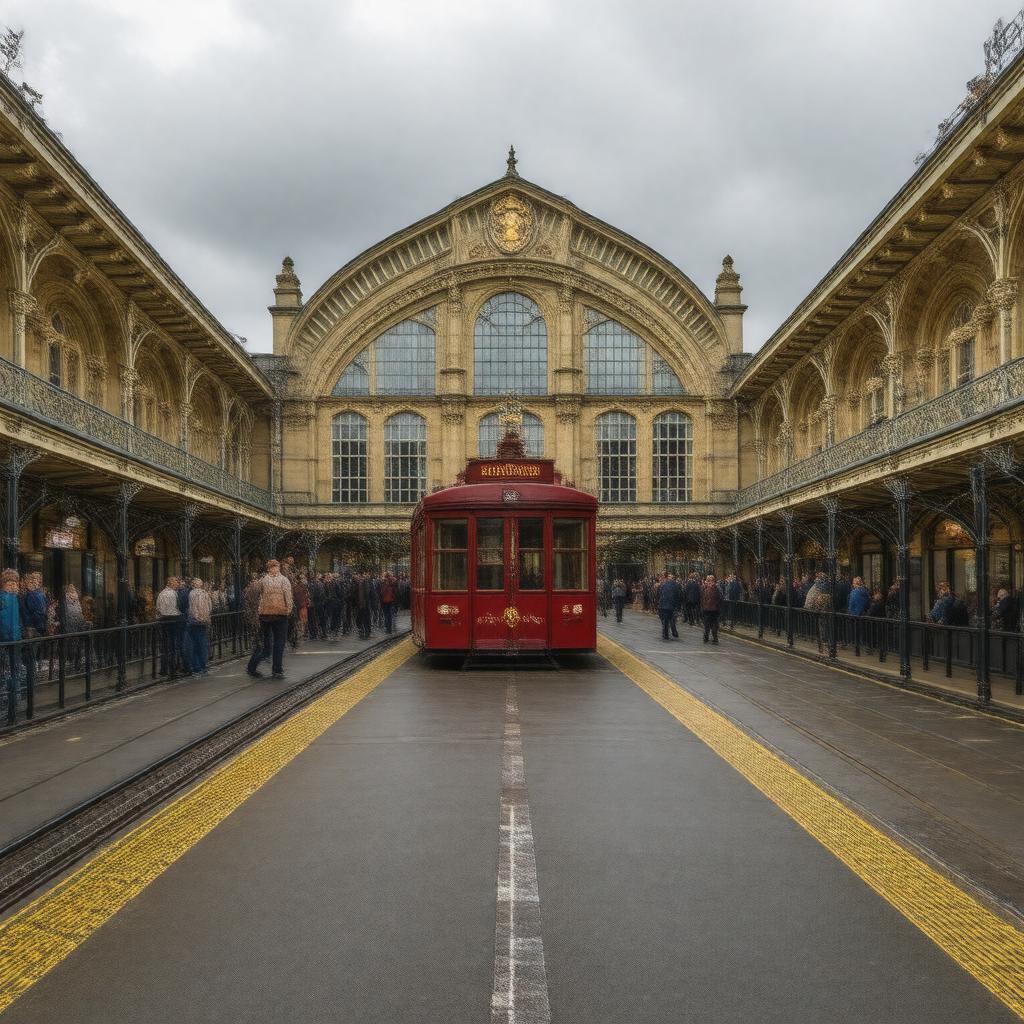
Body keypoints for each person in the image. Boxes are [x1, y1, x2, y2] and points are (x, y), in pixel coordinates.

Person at [247, 560, 293, 679]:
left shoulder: (263, 580)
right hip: (280, 615)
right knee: (279, 643)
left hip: (265, 615)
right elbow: (288, 595)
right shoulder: (284, 580)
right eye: (274, 567)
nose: (275, 568)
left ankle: (252, 667)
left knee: (267, 645)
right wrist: (288, 609)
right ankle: (277, 671)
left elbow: (253, 596)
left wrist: (258, 609)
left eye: (275, 567)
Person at [157, 577, 184, 675]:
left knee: (164, 646)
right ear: (171, 583)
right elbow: (176, 607)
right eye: (177, 582)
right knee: (172, 645)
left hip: (162, 619)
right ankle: (172, 669)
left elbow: (158, 607)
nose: (178, 584)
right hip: (172, 619)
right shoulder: (173, 593)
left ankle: (163, 669)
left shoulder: (161, 593)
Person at [188, 577, 212, 675]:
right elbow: (210, 606)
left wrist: (197, 617)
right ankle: (204, 665)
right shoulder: (205, 593)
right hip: (204, 621)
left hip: (195, 622)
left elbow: (192, 608)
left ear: (193, 585)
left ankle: (197, 667)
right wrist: (206, 617)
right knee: (203, 644)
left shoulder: (192, 593)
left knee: (195, 644)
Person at [656, 572, 682, 641]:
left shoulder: (663, 585)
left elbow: (659, 595)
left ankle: (665, 635)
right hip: (672, 606)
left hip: (664, 606)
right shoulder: (676, 585)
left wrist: (659, 605)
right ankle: (673, 632)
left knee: (665, 621)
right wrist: (678, 606)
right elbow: (678, 596)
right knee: (672, 620)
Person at [701, 573, 721, 644]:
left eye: (708, 580)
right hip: (714, 610)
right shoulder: (716, 588)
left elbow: (703, 599)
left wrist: (703, 608)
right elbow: (720, 599)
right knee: (714, 625)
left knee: (707, 624)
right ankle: (715, 639)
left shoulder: (705, 589)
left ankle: (706, 638)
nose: (708, 582)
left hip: (707, 610)